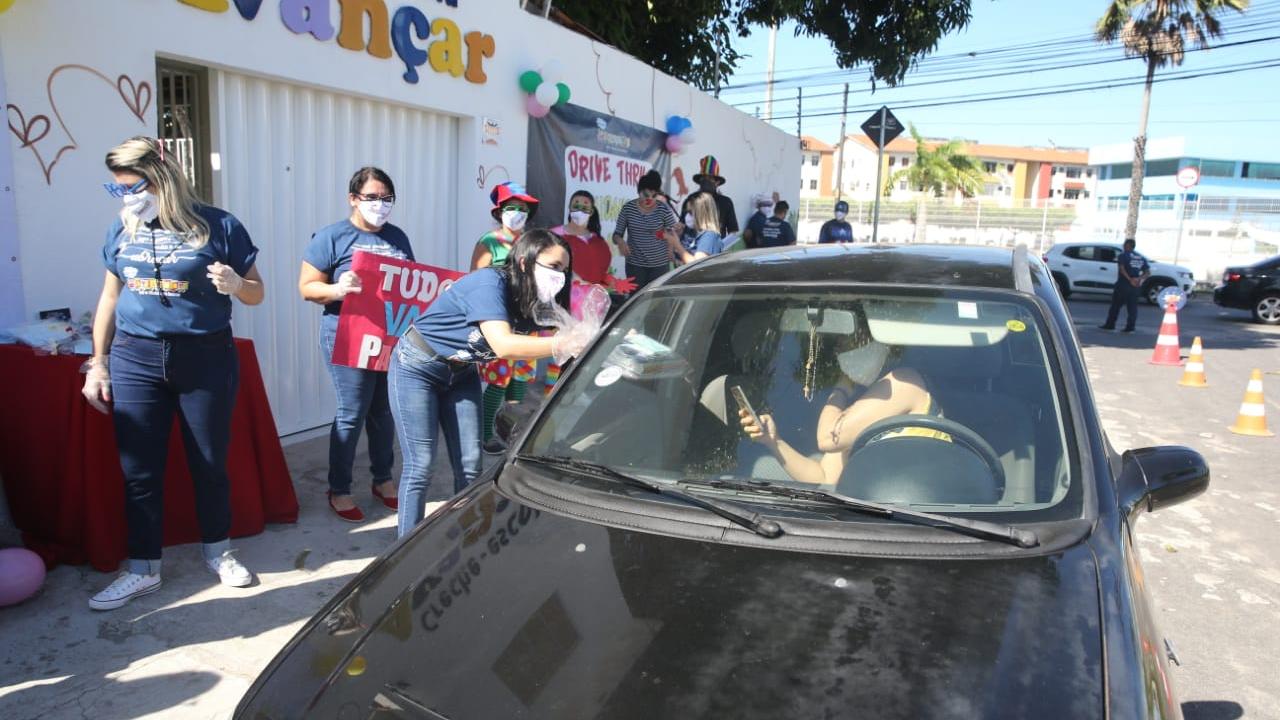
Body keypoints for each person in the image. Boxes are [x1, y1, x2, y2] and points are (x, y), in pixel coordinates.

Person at [82, 136, 265, 610]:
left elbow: (256, 293)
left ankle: (218, 551)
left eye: (132, 185)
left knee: (209, 462)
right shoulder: (122, 230)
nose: (126, 196)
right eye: (117, 187)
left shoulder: (219, 225)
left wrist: (236, 283)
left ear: (162, 178)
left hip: (204, 357)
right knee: (138, 470)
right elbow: (108, 298)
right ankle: (143, 568)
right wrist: (97, 362)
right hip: (135, 358)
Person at [390, 229, 583, 537]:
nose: (559, 276)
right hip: (417, 367)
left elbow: (571, 329)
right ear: (524, 261)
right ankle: (401, 552)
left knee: (469, 464)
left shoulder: (533, 299)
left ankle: (467, 540)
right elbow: (504, 345)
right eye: (553, 266)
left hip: (462, 372)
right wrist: (564, 344)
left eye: (564, 269)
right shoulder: (489, 283)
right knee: (421, 465)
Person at [299, 167, 411, 522]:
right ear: (353, 199)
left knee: (383, 410)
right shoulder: (331, 237)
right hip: (346, 334)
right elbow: (307, 288)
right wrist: (335, 289)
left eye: (387, 198)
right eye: (372, 197)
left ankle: (383, 479)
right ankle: (340, 488)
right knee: (352, 412)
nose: (380, 204)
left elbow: (408, 282)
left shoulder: (397, 237)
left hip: (388, 336)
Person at [739, 312, 944, 487]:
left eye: (848, 341)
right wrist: (774, 442)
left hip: (919, 516)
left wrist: (841, 386)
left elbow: (828, 438)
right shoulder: (859, 409)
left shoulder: (907, 381)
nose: (839, 350)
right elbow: (825, 478)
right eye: (838, 345)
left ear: (879, 342)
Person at [473, 182, 540, 453]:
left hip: (528, 319)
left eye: (522, 209)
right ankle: (484, 435)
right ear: (499, 211)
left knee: (520, 380)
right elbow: (476, 281)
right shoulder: (488, 242)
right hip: (499, 321)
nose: (516, 213)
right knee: (498, 380)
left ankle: (512, 431)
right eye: (511, 207)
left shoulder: (533, 241)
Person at [548, 190, 636, 392]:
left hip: (591, 308)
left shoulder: (597, 242)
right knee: (560, 355)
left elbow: (599, 274)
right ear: (569, 208)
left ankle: (573, 395)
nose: (580, 208)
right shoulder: (554, 235)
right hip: (563, 305)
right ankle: (550, 401)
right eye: (576, 203)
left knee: (583, 356)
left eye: (585, 204)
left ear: (592, 210)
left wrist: (614, 282)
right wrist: (569, 275)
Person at [613, 169, 679, 290]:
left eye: (654, 196)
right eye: (646, 195)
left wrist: (671, 248)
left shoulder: (663, 209)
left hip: (660, 266)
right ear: (639, 192)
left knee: (657, 300)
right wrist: (620, 242)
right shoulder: (628, 209)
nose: (649, 199)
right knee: (636, 299)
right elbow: (616, 234)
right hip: (635, 266)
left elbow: (672, 231)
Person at [1099, 238, 1151, 333]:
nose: (1123, 246)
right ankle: (1130, 327)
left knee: (1115, 305)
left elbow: (1122, 269)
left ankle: (1110, 324)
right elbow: (1147, 272)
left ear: (1128, 245)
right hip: (1135, 285)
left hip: (1123, 284)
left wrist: (1130, 279)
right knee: (1132, 307)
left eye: (1124, 244)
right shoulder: (1140, 257)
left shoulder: (1123, 256)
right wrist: (1138, 279)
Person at [680, 155, 739, 237]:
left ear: (717, 182)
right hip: (693, 247)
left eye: (710, 178)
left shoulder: (725, 203)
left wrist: (724, 246)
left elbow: (732, 232)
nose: (706, 181)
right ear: (700, 181)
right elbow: (682, 225)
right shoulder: (691, 200)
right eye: (703, 178)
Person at [669, 191, 723, 264]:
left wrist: (676, 244)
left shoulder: (709, 235)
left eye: (691, 212)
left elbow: (696, 265)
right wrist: (675, 236)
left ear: (702, 214)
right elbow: (671, 257)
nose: (687, 216)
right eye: (687, 212)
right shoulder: (689, 231)